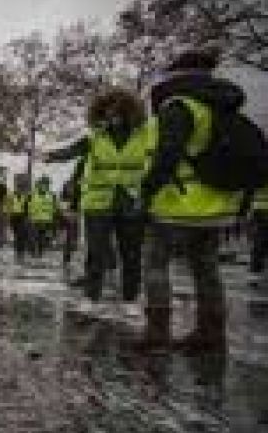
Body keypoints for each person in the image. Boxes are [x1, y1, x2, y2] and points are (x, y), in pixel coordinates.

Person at [137, 50, 245, 351]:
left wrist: (146, 192)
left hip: (175, 203)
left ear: (177, 75)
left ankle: (157, 332)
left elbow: (167, 155)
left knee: (155, 264)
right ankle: (211, 332)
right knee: (206, 267)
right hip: (213, 205)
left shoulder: (178, 107)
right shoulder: (220, 106)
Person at [45, 87, 149, 302]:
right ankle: (92, 298)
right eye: (108, 112)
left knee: (131, 255)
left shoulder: (144, 136)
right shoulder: (95, 138)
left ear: (129, 112)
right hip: (98, 204)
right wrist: (52, 156)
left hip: (131, 203)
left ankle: (130, 300)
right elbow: (71, 151)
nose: (113, 117)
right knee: (96, 254)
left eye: (118, 112)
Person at [26, 176, 58, 258]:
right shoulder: (31, 195)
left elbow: (55, 208)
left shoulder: (52, 195)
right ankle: (33, 252)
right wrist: (28, 216)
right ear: (38, 184)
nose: (45, 186)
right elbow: (26, 206)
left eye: (46, 184)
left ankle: (40, 252)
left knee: (42, 238)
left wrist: (54, 221)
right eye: (43, 183)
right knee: (33, 237)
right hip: (34, 219)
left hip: (46, 220)